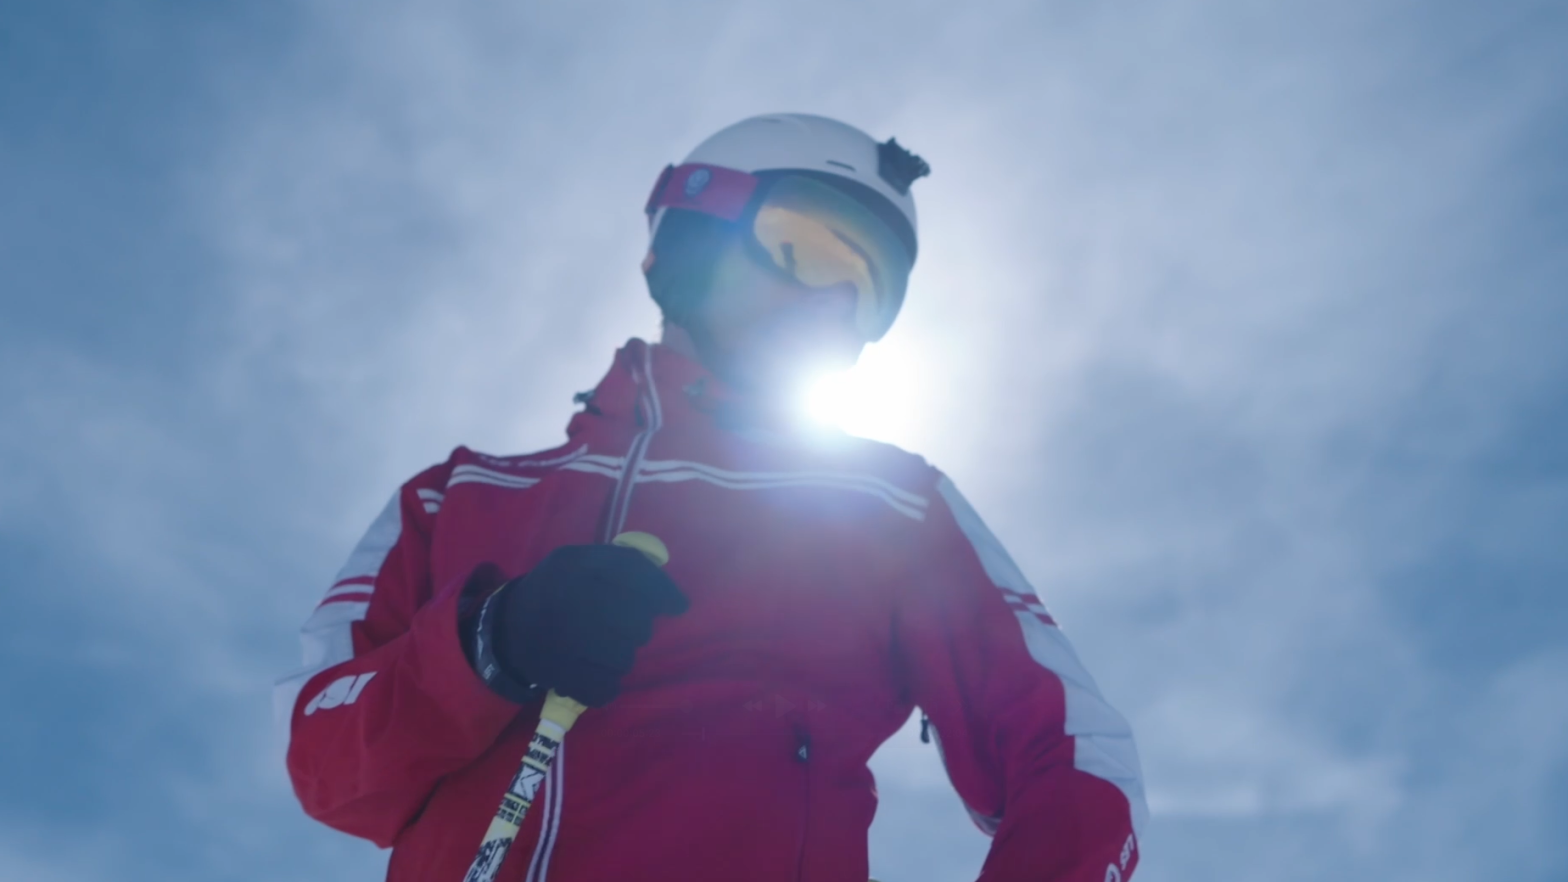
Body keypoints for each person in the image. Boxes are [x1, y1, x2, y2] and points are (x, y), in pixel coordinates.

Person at [274, 113, 1146, 882]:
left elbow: (1077, 754)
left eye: (868, 292)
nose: (833, 306)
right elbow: (325, 763)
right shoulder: (459, 499)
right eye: (809, 249)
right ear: (694, 237)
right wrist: (489, 643)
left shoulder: (887, 507)